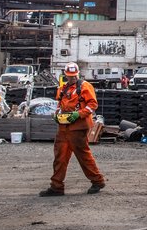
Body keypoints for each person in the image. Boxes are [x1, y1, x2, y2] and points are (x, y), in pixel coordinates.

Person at [40, 62, 105, 196]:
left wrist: (78, 114)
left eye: (74, 76)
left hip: (78, 127)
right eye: (70, 76)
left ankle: (97, 181)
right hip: (64, 127)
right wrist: (57, 114)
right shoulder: (63, 89)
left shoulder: (85, 87)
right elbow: (60, 104)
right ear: (65, 75)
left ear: (77, 74)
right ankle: (56, 186)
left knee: (83, 156)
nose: (72, 78)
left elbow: (92, 105)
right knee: (60, 157)